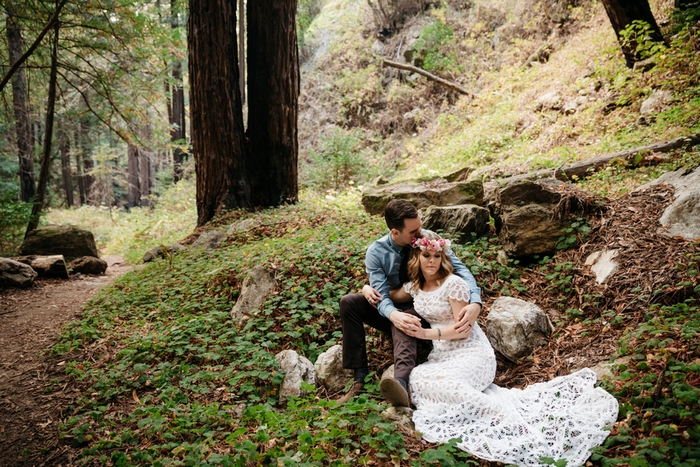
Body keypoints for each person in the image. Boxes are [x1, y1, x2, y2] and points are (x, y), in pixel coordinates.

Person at [389, 232, 619, 467]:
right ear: (417, 257)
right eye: (426, 255)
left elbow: (463, 330)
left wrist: (424, 334)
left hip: (472, 352)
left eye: (437, 256)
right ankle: (479, 407)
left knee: (450, 385)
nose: (432, 261)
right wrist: (370, 291)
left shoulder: (453, 284)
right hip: (442, 356)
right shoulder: (415, 287)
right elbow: (388, 295)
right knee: (418, 377)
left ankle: (501, 416)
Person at [336, 199, 482, 406]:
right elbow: (382, 295)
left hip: (422, 308)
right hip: (392, 306)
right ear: (395, 232)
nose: (420, 233)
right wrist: (391, 312)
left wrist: (476, 302)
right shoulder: (376, 253)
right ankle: (359, 378)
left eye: (420, 226)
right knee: (349, 302)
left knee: (408, 320)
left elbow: (460, 269)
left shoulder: (428, 239)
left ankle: (401, 383)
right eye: (414, 231)